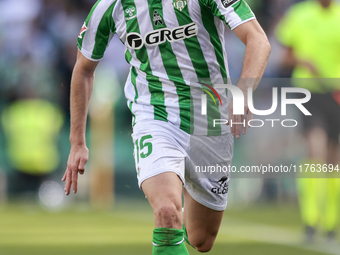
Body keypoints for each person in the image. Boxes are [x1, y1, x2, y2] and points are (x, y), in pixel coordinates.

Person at [62, 0, 270, 253]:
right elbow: (84, 69)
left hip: (209, 117)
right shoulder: (110, 6)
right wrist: (77, 142)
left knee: (201, 239)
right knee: (167, 212)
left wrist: (244, 92)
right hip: (154, 114)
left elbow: (258, 39)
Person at [276, 0, 340, 242]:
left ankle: (332, 223)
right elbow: (284, 57)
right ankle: (312, 220)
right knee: (316, 150)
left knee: (334, 160)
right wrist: (304, 62)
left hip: (336, 93)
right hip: (310, 93)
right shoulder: (299, 15)